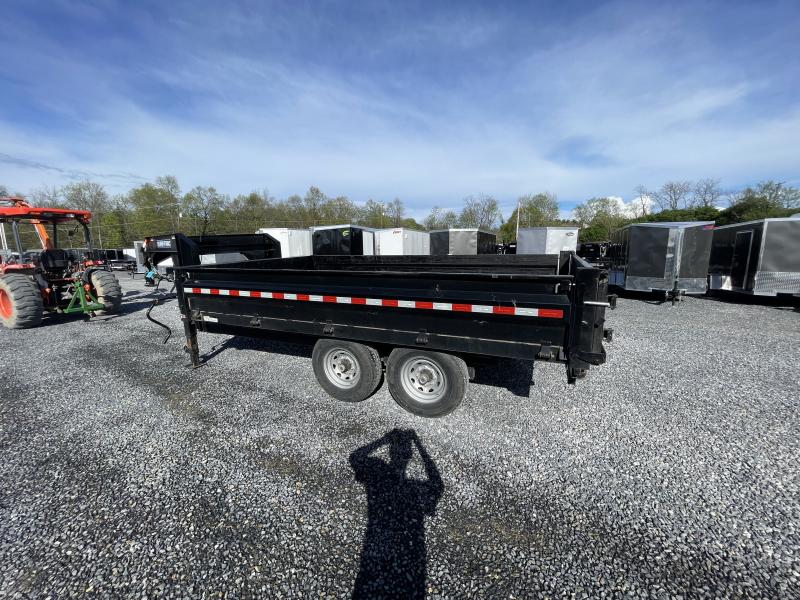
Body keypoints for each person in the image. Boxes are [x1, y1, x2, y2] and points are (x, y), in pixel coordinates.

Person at [349, 429, 443, 599]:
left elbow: (355, 457)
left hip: (376, 546)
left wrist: (384, 440)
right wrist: (418, 445)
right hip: (412, 550)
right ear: (408, 457)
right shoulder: (414, 488)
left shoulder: (377, 479)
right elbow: (437, 484)